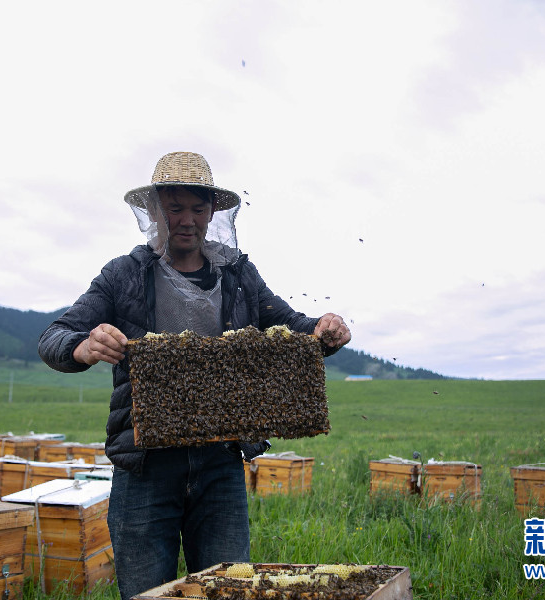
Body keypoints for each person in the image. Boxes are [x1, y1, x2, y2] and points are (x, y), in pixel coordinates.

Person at [38, 151, 351, 599]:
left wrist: (326, 329)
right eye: (175, 207)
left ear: (213, 213)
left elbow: (294, 330)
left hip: (220, 463)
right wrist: (83, 346)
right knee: (148, 593)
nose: (187, 219)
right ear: (154, 212)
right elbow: (54, 335)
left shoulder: (239, 276)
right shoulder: (123, 274)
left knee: (228, 589)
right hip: (146, 465)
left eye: (198, 208)